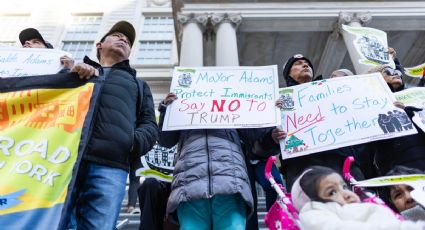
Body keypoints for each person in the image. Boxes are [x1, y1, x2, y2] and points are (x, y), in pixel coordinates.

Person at [62, 21, 158, 229]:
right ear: (99, 45)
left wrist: (130, 142)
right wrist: (68, 74)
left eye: (128, 40)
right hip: (64, 162)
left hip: (111, 167)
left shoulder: (139, 85)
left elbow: (149, 125)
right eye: (116, 35)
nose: (123, 39)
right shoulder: (76, 72)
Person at [158, 92, 285, 230]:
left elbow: (255, 132)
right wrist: (167, 109)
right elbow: (165, 140)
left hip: (230, 183)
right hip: (190, 185)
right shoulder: (183, 113)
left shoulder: (233, 109)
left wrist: (269, 111)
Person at [279, 54, 371, 190]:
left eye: (307, 63)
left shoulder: (331, 92)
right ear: (288, 74)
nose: (305, 65)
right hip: (301, 166)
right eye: (298, 63)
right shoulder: (279, 102)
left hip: (342, 161)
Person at [291, 166, 425, 229]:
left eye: (344, 187)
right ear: (313, 202)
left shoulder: (367, 206)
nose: (346, 194)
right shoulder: (315, 214)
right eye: (332, 192)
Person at [368, 65, 425, 175]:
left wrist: (406, 111)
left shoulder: (414, 98)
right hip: (399, 165)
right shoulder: (369, 104)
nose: (395, 74)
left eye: (398, 72)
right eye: (388, 72)